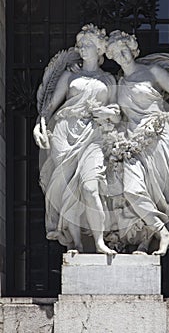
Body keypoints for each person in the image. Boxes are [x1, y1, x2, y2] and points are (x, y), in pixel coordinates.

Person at [33, 24, 120, 254]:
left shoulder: (109, 80)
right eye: (80, 45)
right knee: (68, 190)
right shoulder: (70, 75)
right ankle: (77, 244)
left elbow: (118, 112)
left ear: (100, 49)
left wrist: (108, 113)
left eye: (88, 45)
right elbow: (50, 107)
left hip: (94, 135)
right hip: (65, 131)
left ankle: (100, 241)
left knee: (90, 187)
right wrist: (38, 125)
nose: (82, 49)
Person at [106, 30, 169, 256]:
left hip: (160, 135)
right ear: (112, 58)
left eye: (124, 49)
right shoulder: (119, 84)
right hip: (133, 139)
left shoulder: (153, 72)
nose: (122, 55)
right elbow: (117, 115)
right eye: (116, 53)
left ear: (133, 49)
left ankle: (146, 244)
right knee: (132, 190)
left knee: (156, 191)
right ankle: (163, 232)